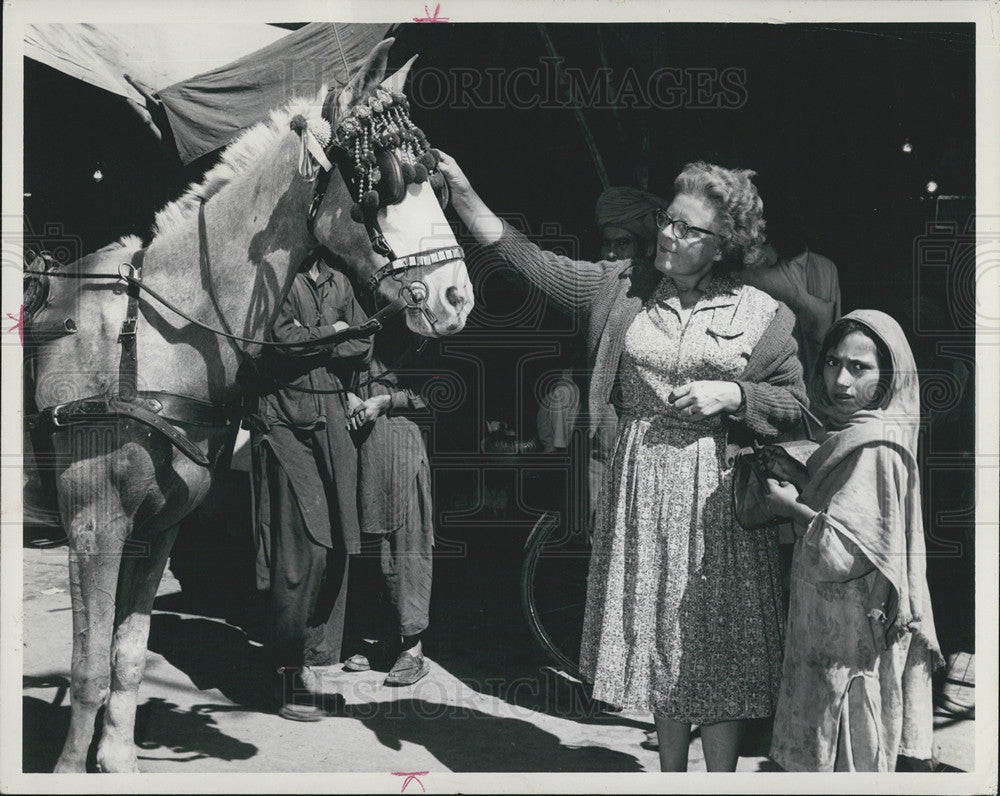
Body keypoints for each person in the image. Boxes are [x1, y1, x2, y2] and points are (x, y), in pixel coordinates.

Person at [438, 153, 806, 771]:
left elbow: (797, 406)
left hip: (716, 501)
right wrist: (465, 193)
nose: (669, 234)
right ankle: (668, 776)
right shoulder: (622, 288)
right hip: (640, 492)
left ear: (723, 247)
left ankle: (717, 781)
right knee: (661, 638)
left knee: (714, 644)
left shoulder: (764, 317)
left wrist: (737, 395)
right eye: (669, 219)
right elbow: (530, 260)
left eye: (689, 229)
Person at [763, 310, 942, 771]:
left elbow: (839, 557)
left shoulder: (875, 445)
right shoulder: (851, 434)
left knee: (847, 755)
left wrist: (788, 505)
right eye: (832, 363)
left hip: (849, 643)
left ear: (888, 378)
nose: (841, 379)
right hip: (830, 634)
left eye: (859, 367)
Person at [249, 252, 372, 721]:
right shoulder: (280, 277)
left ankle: (306, 663)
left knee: (338, 541)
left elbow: (364, 344)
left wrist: (320, 337)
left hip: (329, 424)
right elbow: (280, 342)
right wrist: (335, 332)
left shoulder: (341, 279)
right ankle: (279, 677)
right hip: (284, 424)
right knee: (304, 549)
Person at [341, 352, 435, 687]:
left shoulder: (424, 322)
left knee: (404, 548)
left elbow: (442, 388)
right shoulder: (358, 315)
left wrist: (388, 401)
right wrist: (346, 394)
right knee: (369, 548)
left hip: (399, 444)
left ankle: (412, 648)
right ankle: (381, 639)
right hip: (362, 444)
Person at [737, 206, 841, 376]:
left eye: (802, 219)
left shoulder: (826, 268)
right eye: (790, 220)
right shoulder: (752, 267)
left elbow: (833, 333)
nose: (797, 225)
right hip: (773, 379)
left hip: (815, 378)